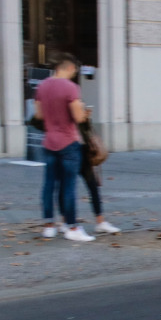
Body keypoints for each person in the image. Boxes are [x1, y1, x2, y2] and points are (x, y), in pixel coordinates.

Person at [35, 54, 94, 241]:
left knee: (49, 185)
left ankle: (49, 225)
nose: (74, 75)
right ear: (68, 68)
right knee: (68, 186)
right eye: (74, 71)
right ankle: (72, 227)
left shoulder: (42, 86)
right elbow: (77, 118)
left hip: (49, 141)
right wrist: (84, 113)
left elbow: (38, 115)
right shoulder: (70, 88)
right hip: (68, 142)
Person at [77, 108, 120, 235]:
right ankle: (66, 223)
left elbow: (86, 131)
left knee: (93, 187)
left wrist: (85, 119)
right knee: (67, 187)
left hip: (83, 152)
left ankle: (100, 221)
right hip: (72, 151)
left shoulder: (76, 104)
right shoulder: (68, 107)